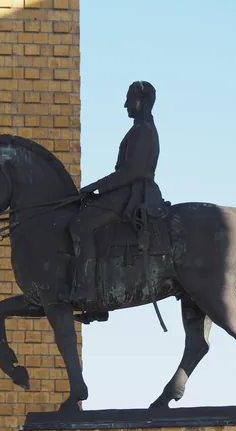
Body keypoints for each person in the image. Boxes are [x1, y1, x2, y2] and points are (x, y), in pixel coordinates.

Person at [70, 81, 165, 305]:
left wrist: (95, 187)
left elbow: (133, 170)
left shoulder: (143, 131)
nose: (125, 105)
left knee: (81, 225)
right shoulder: (140, 129)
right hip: (127, 190)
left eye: (129, 100)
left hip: (133, 193)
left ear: (142, 102)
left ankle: (87, 290)